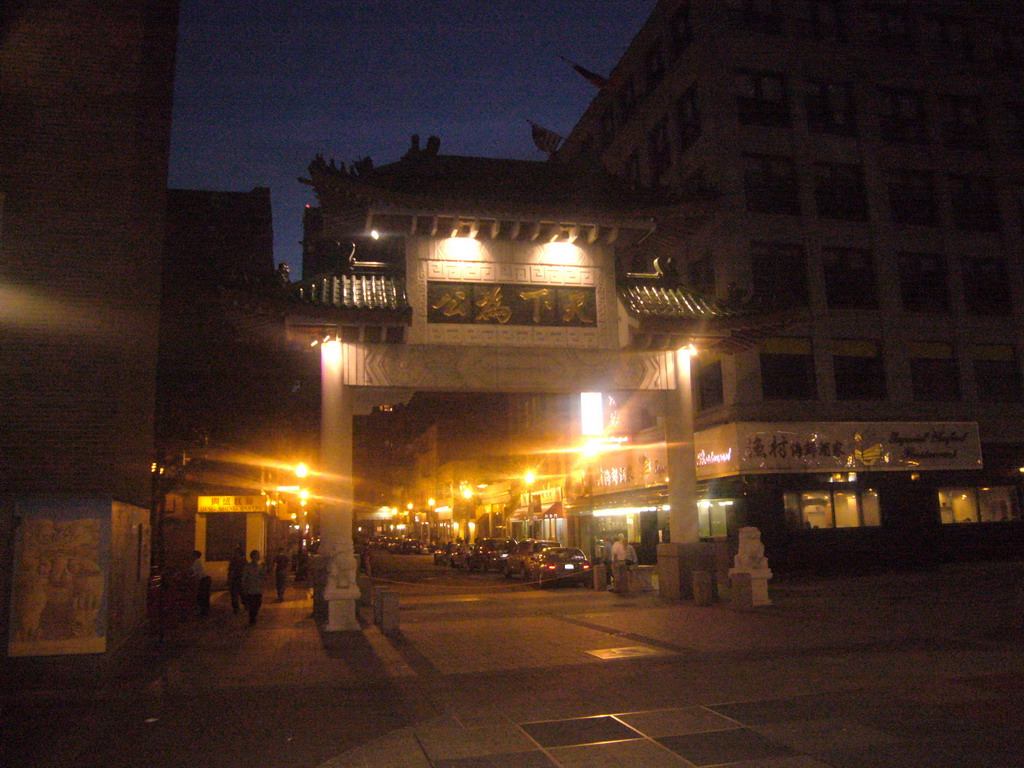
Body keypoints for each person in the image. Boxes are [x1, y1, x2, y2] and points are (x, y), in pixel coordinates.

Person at [241, 549, 265, 625]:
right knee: (252, 604)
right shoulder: (248, 566)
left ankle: (253, 616)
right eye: (257, 555)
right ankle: (252, 617)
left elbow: (262, 576)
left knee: (258, 603)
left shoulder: (260, 566)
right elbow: (244, 577)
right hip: (251, 588)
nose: (259, 556)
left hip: (258, 588)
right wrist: (244, 586)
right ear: (253, 556)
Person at [190, 550, 211, 617]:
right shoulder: (199, 561)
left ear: (195, 556)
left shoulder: (196, 561)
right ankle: (205, 611)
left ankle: (203, 612)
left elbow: (193, 571)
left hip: (204, 580)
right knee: (205, 596)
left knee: (202, 596)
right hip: (206, 579)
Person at [227, 544, 246, 614]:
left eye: (236, 553)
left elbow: (230, 571)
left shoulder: (238, 561)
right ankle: (238, 608)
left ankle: (238, 608)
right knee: (238, 594)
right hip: (237, 579)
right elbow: (230, 571)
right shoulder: (242, 561)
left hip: (238, 579)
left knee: (239, 594)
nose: (235, 554)